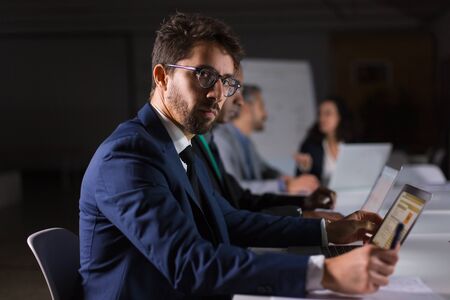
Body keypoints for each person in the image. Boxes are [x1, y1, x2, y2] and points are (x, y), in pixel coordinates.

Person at [79, 12, 399, 300]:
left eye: (226, 82)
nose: (218, 94)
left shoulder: (182, 146)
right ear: (162, 77)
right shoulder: (128, 157)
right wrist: (324, 273)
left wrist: (327, 231)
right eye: (204, 75)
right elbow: (189, 264)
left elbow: (229, 220)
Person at [192, 68, 342, 220]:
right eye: (261, 105)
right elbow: (237, 195)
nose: (240, 101)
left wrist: (291, 184)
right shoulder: (219, 139)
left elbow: (261, 174)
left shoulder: (243, 141)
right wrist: (287, 187)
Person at [213, 84, 320, 195]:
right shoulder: (221, 139)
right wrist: (284, 185)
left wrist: (288, 180)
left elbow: (265, 170)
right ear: (246, 107)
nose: (265, 114)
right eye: (261, 106)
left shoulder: (246, 142)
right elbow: (234, 187)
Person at [295, 97, 352, 184]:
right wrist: (304, 168)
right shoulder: (310, 145)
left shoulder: (353, 143)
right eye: (319, 114)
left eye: (327, 114)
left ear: (340, 116)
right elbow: (301, 182)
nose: (321, 119)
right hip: (324, 195)